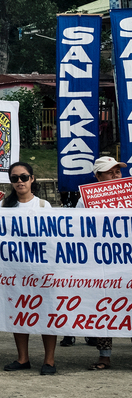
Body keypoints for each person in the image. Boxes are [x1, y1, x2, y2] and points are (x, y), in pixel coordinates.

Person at [0, 162, 58, 375]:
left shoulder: (43, 206)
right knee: (19, 311)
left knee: (47, 312)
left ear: (32, 179)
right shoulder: (4, 207)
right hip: (15, 270)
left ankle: (49, 360)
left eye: (24, 177)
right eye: (15, 178)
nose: (19, 182)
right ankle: (23, 358)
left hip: (41, 269)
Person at [86, 156, 125, 368]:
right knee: (104, 307)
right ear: (98, 176)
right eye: (110, 172)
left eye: (117, 171)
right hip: (101, 262)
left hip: (126, 262)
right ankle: (104, 355)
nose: (115, 175)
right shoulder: (85, 199)